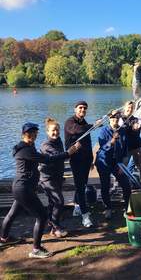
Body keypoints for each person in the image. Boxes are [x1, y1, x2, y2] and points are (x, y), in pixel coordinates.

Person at [0, 122, 79, 258]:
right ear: (24, 134)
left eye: (35, 134)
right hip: (24, 189)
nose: (33, 136)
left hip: (21, 187)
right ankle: (36, 249)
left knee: (12, 214)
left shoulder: (26, 147)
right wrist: (67, 154)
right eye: (30, 134)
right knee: (41, 216)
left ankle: (3, 238)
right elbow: (47, 159)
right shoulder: (26, 150)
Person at [64, 100, 101, 228]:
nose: (82, 110)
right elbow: (76, 130)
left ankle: (77, 206)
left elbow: (88, 141)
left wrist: (91, 159)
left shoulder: (84, 122)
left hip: (85, 160)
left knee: (82, 184)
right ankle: (85, 217)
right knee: (80, 187)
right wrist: (93, 126)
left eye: (85, 108)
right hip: (76, 160)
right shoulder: (70, 122)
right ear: (75, 109)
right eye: (80, 108)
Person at [95, 110, 131, 220]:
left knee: (126, 185)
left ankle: (127, 208)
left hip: (118, 162)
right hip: (104, 162)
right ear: (109, 119)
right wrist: (112, 141)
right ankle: (108, 208)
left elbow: (125, 150)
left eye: (117, 117)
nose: (115, 119)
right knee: (105, 185)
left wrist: (123, 165)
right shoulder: (103, 131)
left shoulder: (123, 131)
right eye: (112, 118)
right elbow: (103, 147)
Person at [39, 118, 68, 237]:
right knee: (59, 201)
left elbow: (61, 156)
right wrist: (69, 153)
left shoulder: (59, 140)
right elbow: (57, 156)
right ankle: (56, 226)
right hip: (47, 179)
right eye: (53, 130)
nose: (55, 132)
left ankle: (52, 226)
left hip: (57, 177)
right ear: (47, 132)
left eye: (57, 130)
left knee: (52, 203)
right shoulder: (46, 145)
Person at [120, 101, 141, 186]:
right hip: (125, 149)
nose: (130, 109)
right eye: (128, 107)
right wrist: (131, 127)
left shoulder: (135, 119)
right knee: (122, 169)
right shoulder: (120, 118)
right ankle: (122, 186)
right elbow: (122, 128)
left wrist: (140, 125)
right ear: (125, 107)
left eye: (132, 108)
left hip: (137, 147)